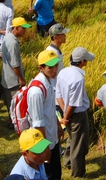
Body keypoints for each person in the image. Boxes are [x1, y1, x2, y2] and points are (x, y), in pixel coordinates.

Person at [56, 47, 96, 178]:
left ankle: (68, 162)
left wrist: (63, 114)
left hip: (66, 112)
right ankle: (78, 173)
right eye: (86, 60)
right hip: (77, 115)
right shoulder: (78, 79)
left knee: (72, 139)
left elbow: (59, 95)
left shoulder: (63, 72)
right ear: (82, 61)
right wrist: (67, 117)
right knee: (78, 144)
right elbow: (73, 103)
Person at [27, 50, 63, 180]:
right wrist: (45, 148)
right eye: (50, 67)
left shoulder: (49, 81)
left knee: (56, 173)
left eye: (56, 66)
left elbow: (50, 109)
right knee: (49, 175)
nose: (54, 70)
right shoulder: (36, 91)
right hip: (45, 141)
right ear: (41, 68)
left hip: (52, 138)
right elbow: (38, 123)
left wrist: (58, 125)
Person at [0, 17, 32, 117]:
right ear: (17, 28)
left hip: (6, 78)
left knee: (10, 104)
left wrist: (7, 60)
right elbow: (15, 65)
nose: (25, 31)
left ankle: (12, 123)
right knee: (15, 105)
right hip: (13, 81)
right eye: (23, 28)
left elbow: (0, 52)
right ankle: (15, 124)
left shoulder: (7, 37)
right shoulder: (13, 43)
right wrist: (21, 78)